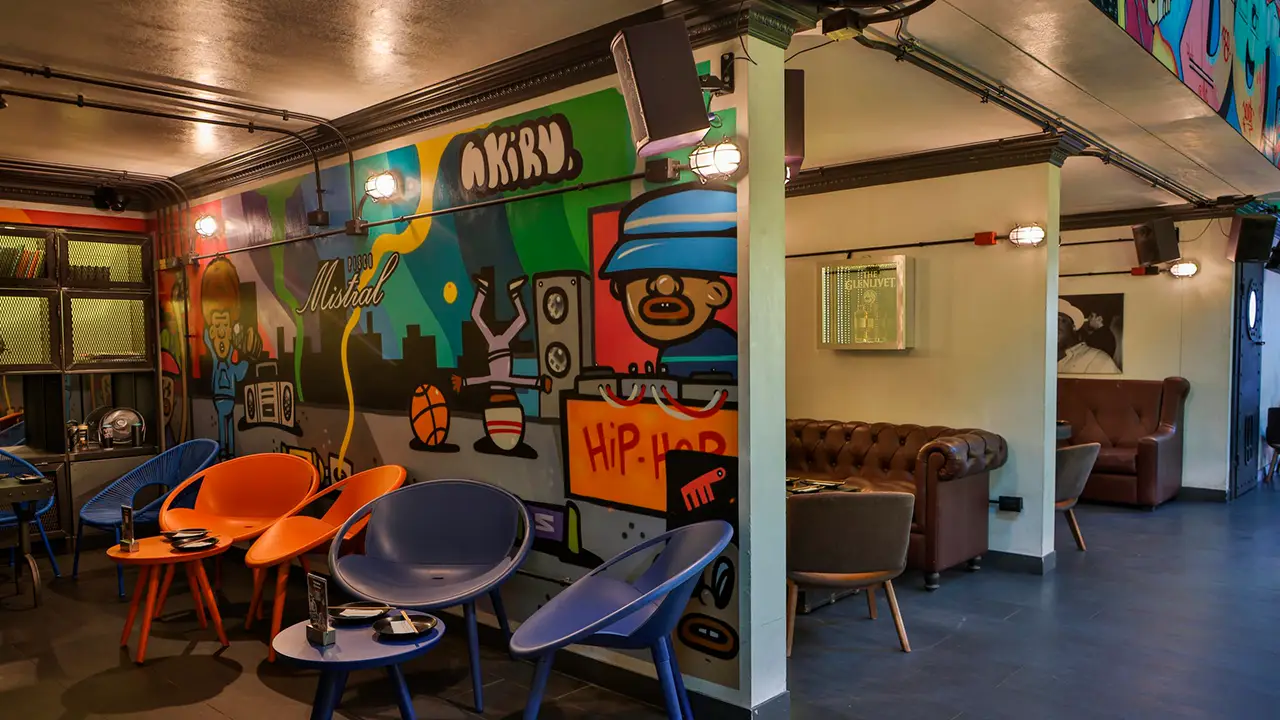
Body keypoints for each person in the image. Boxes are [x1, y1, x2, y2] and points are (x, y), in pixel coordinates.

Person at [598, 184, 738, 378]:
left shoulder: (720, 347)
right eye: (644, 272)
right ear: (619, 288)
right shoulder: (673, 354)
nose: (664, 286)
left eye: (682, 272)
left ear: (716, 293)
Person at [1058, 299, 1119, 374]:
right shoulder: (1106, 335)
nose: (1089, 319)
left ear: (1099, 319)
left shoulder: (1099, 339)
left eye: (1091, 316)